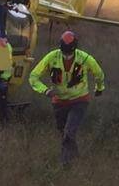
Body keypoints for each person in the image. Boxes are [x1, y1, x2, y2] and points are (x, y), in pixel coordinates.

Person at [29, 30, 105, 163]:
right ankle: (76, 158)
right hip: (58, 102)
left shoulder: (86, 59)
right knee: (63, 133)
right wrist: (45, 90)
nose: (67, 56)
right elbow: (33, 77)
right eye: (64, 53)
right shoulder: (51, 57)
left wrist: (99, 88)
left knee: (69, 131)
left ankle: (65, 163)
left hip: (80, 100)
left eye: (69, 53)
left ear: (75, 49)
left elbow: (99, 74)